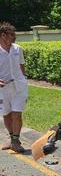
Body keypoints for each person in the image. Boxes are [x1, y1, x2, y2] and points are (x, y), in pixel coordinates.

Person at [0, 22, 27, 153]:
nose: (15, 37)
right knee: (6, 114)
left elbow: (22, 66)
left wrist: (23, 79)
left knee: (17, 114)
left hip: (19, 86)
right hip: (3, 89)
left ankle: (16, 141)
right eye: (12, 34)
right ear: (3, 35)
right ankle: (12, 138)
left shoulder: (18, 49)